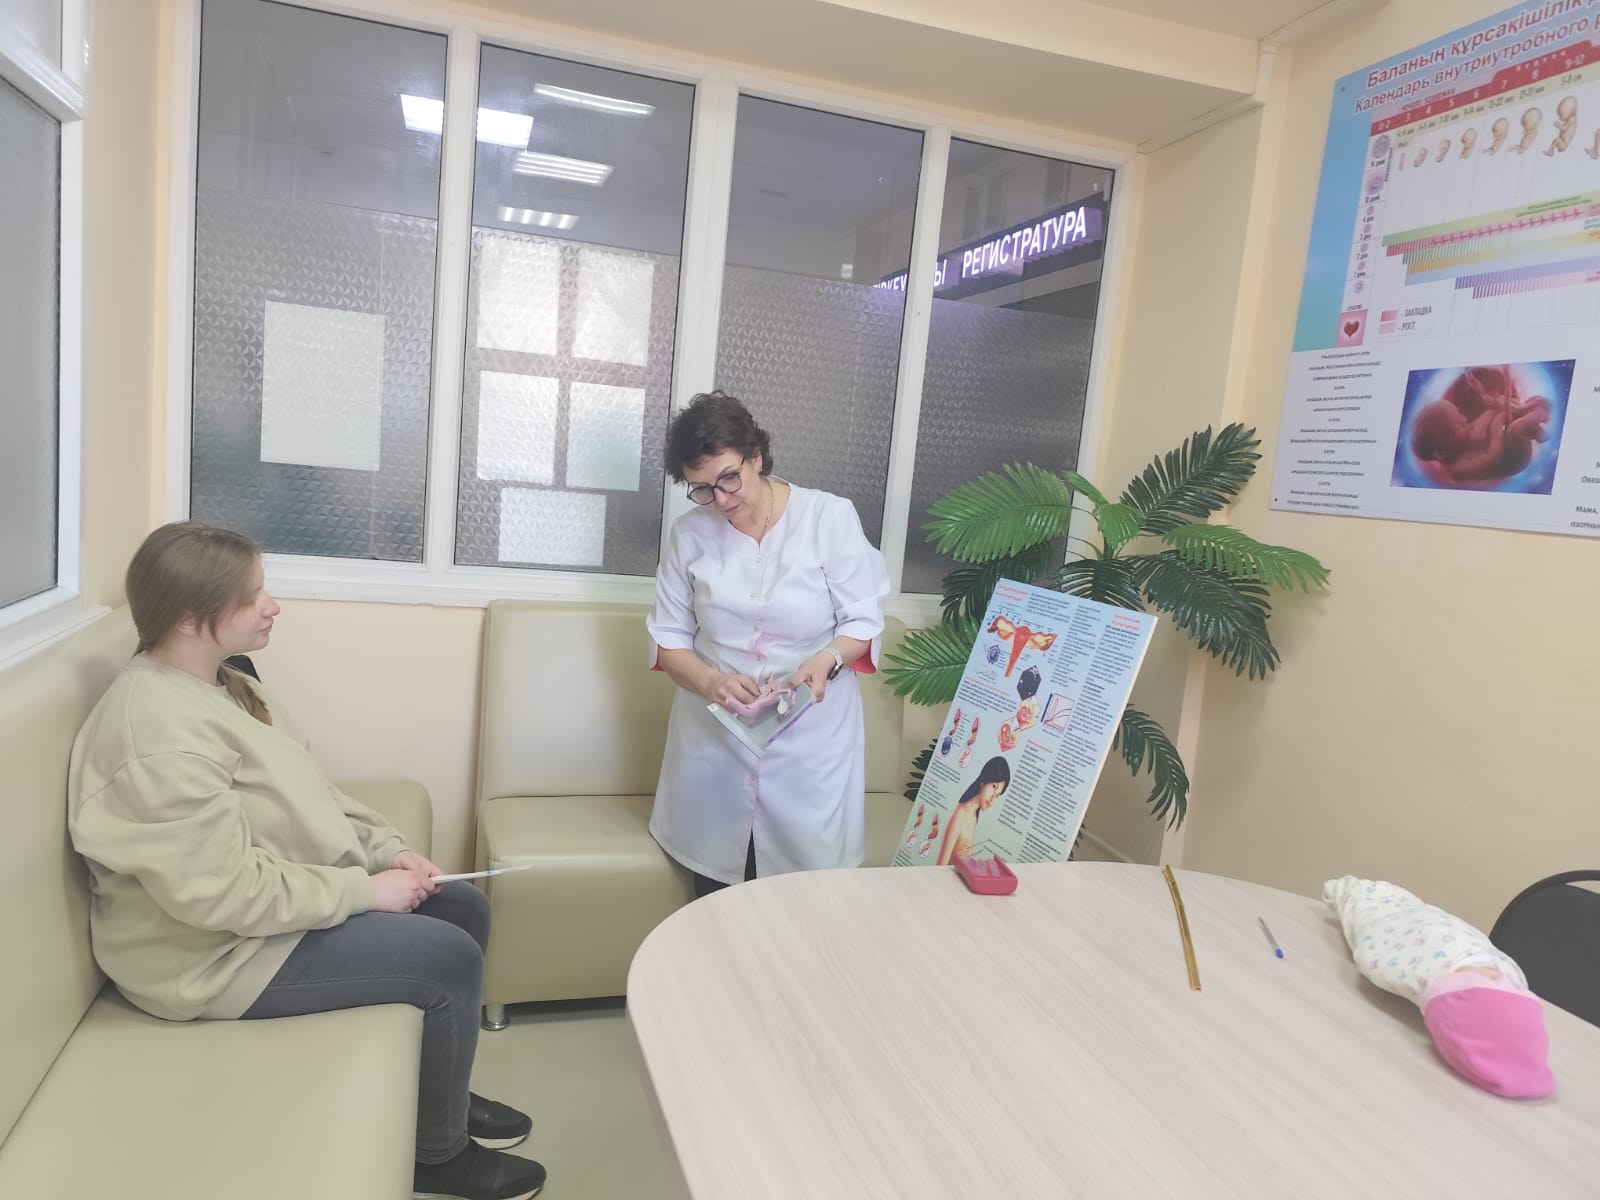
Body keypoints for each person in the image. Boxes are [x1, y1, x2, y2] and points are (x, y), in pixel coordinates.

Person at [67, 522, 546, 1200]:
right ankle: (437, 1157)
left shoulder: (229, 684)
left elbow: (312, 790)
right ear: (188, 619)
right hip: (208, 957)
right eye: (251, 598)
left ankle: (437, 1099)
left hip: (255, 916)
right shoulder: (156, 735)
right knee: (448, 959)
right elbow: (221, 896)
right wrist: (364, 891)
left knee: (460, 905)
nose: (273, 607)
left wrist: (388, 849)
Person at [647, 391, 890, 896]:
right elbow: (668, 641)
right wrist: (711, 682)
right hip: (716, 741)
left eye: (729, 478)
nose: (721, 499)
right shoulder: (688, 534)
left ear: (756, 457)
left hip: (811, 739)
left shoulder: (827, 518)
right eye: (702, 489)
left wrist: (827, 659)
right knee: (716, 892)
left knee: (808, 899)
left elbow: (863, 619)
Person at [1323, 876, 1552, 1098]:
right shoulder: (1506, 970)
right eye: (1500, 982)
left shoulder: (1402, 966)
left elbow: (1379, 932)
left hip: (1390, 914)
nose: (1495, 975)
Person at [936, 757, 1011, 866]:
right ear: (983, 782)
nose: (992, 800)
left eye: (997, 795)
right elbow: (940, 866)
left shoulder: (973, 815)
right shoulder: (960, 815)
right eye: (994, 787)